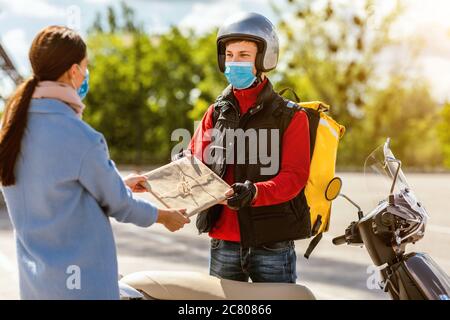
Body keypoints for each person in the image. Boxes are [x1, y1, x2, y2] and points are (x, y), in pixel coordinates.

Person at [0, 26, 189, 300]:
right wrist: (164, 216)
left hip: (37, 289)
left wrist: (118, 183)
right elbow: (120, 205)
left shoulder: (13, 131)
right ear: (73, 71)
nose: (86, 74)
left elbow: (54, 190)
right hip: (83, 288)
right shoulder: (81, 136)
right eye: (85, 67)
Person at [186, 12, 311, 283]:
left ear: (263, 59)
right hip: (222, 243)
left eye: (243, 55)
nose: (234, 62)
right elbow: (194, 164)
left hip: (272, 245)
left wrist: (254, 192)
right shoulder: (214, 113)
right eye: (229, 55)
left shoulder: (291, 116)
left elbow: (294, 177)